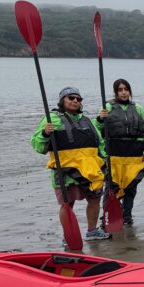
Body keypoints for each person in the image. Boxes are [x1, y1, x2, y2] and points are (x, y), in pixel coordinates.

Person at [31, 87, 109, 241]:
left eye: (78, 99)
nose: (75, 101)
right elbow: (37, 145)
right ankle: (69, 235)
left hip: (90, 170)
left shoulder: (86, 120)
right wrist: (45, 133)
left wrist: (106, 160)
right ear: (62, 101)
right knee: (68, 203)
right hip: (66, 171)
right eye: (71, 98)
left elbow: (99, 143)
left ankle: (92, 231)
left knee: (94, 199)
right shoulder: (52, 119)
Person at [96, 79, 144, 225]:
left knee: (131, 187)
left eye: (126, 89)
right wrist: (100, 119)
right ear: (116, 92)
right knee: (111, 187)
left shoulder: (138, 109)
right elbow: (96, 129)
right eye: (120, 90)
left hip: (134, 154)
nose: (123, 92)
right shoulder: (107, 108)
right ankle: (108, 215)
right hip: (114, 154)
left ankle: (127, 216)